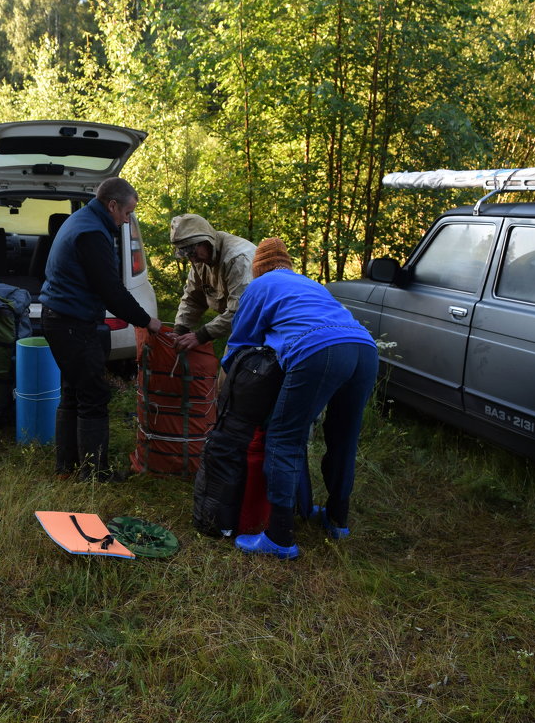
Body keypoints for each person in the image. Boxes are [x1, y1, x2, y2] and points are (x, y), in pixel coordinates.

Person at [224, 238, 378, 560]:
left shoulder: (260, 285)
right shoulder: (310, 284)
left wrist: (227, 386)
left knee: (284, 438)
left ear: (258, 268)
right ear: (288, 264)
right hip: (364, 348)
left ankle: (279, 538)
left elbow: (241, 344)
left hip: (319, 351)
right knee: (343, 439)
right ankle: (337, 521)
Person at [40, 177, 162, 480]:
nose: (127, 219)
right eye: (127, 212)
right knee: (93, 395)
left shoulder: (81, 220)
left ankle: (66, 468)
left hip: (59, 319)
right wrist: (147, 320)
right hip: (72, 324)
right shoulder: (92, 233)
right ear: (112, 205)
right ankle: (95, 474)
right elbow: (111, 289)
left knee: (73, 392)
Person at [169, 214, 255, 352]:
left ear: (205, 241)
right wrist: (180, 329)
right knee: (230, 366)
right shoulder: (201, 259)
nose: (191, 258)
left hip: (266, 323)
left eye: (191, 251)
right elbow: (193, 298)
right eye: (184, 253)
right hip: (245, 324)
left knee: (237, 365)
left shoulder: (237, 259)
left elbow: (241, 311)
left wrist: (201, 335)